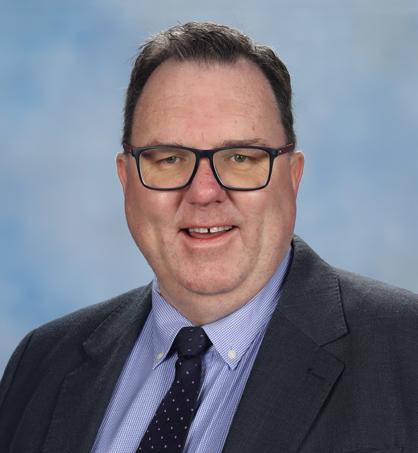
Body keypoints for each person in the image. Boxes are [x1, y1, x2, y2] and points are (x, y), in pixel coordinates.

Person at [0, 21, 417, 453]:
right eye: (168, 159)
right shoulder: (41, 364)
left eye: (241, 158)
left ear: (293, 178)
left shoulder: (406, 351)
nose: (203, 192)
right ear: (126, 179)